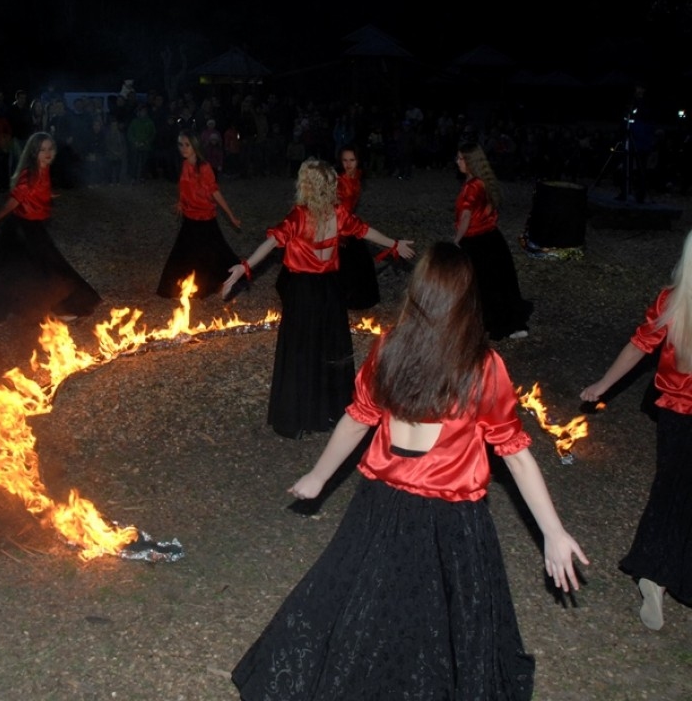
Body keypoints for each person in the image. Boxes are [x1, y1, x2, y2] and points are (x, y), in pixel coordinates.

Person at [232, 242, 588, 699]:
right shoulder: (482, 367)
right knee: (436, 617)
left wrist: (320, 476)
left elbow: (358, 417)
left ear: (417, 293)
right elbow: (515, 454)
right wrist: (553, 533)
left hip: (382, 506)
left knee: (368, 603)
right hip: (453, 521)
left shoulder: (389, 348)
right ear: (466, 298)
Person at [222, 158, 413, 439]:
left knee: (301, 352)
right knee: (328, 348)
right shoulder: (338, 214)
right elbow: (365, 231)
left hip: (304, 290)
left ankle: (299, 416)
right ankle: (331, 411)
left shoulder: (299, 216)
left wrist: (244, 267)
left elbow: (271, 243)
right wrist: (394, 243)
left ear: (306, 186)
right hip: (330, 290)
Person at [580, 228, 692, 631]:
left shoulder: (673, 301)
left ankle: (655, 572)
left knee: (671, 488)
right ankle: (662, 572)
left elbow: (639, 346)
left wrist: (602, 385)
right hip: (679, 412)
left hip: (677, 414)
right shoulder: (672, 301)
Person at [0, 131, 101, 326]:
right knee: (11, 271)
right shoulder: (30, 174)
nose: (47, 153)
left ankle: (61, 307)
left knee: (40, 268)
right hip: (21, 229)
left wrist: (46, 197)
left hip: (34, 227)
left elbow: (34, 195)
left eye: (50, 149)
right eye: (42, 149)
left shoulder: (43, 170)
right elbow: (14, 201)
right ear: (33, 152)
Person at [454, 141, 532, 340]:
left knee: (484, 286)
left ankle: (498, 323)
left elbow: (465, 217)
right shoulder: (483, 181)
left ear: (471, 162)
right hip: (493, 239)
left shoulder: (472, 186)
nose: (457, 162)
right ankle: (512, 323)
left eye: (461, 158)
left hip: (477, 242)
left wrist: (456, 240)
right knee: (501, 282)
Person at [156, 130, 241, 300]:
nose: (183, 149)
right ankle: (179, 285)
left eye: (187, 145)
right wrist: (181, 201)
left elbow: (215, 192)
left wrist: (231, 215)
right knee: (184, 252)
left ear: (195, 146)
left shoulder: (204, 167)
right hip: (190, 216)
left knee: (215, 251)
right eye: (180, 145)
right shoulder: (185, 165)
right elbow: (183, 185)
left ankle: (233, 277)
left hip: (205, 218)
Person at [335, 143, 380, 309]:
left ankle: (354, 299)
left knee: (360, 261)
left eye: (352, 160)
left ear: (358, 160)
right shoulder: (339, 181)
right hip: (340, 226)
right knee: (346, 262)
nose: (348, 164)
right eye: (345, 160)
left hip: (349, 223)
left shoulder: (357, 178)